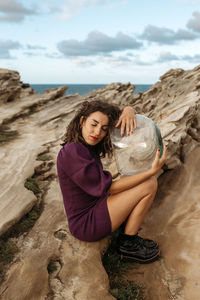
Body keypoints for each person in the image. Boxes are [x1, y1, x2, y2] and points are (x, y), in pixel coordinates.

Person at [57, 100, 167, 263]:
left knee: (134, 179)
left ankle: (125, 228)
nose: (97, 132)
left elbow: (118, 120)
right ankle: (128, 245)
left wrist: (129, 109)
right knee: (149, 183)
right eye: (93, 125)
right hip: (86, 224)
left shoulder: (82, 146)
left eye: (103, 129)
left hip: (97, 206)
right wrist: (151, 171)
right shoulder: (72, 152)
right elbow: (110, 188)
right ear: (82, 121)